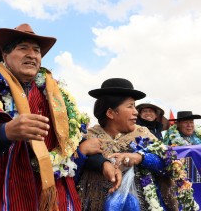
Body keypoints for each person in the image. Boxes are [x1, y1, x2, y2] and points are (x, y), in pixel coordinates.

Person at [0, 24, 121, 211]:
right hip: (1, 197)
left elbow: (75, 143)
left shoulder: (58, 97)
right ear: (4, 55)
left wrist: (103, 163)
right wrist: (5, 133)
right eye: (23, 48)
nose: (32, 55)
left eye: (36, 50)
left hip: (52, 198)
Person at [77, 78, 189, 211]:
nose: (136, 112)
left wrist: (140, 157)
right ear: (110, 113)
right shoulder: (88, 139)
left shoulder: (143, 134)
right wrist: (83, 153)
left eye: (135, 106)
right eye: (130, 106)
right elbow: (71, 176)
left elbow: (170, 166)